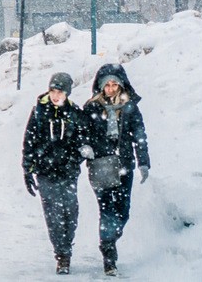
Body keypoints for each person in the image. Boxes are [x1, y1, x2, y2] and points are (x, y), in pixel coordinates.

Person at [22, 72, 93, 275]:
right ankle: (62, 254)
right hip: (45, 172)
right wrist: (28, 169)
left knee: (70, 212)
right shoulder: (38, 112)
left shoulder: (74, 113)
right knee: (53, 214)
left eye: (60, 91)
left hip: (68, 172)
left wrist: (74, 159)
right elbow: (29, 142)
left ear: (67, 93)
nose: (55, 95)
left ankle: (67, 245)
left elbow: (82, 142)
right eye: (53, 90)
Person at [83, 63, 151, 277]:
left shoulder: (130, 107)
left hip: (124, 165)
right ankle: (109, 256)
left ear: (121, 86)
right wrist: (86, 148)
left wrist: (143, 162)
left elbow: (139, 135)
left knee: (123, 211)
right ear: (101, 87)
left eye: (115, 84)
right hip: (101, 166)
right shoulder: (92, 107)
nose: (111, 88)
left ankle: (110, 237)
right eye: (107, 85)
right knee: (107, 211)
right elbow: (82, 134)